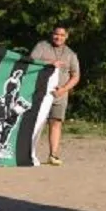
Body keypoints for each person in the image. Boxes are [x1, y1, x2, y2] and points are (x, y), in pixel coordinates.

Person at [29, 24, 81, 166]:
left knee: (56, 123)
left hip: (59, 95)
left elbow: (75, 76)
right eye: (56, 34)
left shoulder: (71, 54)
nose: (58, 37)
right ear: (52, 34)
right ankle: (29, 153)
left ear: (66, 37)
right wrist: (51, 63)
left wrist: (64, 90)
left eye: (62, 35)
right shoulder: (42, 46)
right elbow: (31, 62)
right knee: (36, 122)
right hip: (40, 92)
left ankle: (53, 155)